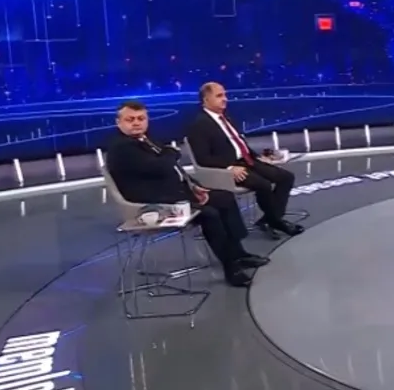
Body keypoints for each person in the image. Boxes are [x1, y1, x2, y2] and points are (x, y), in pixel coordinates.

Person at [105, 100, 268, 287]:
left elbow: (172, 167)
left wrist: (194, 186)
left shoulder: (146, 139)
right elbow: (162, 165)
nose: (136, 123)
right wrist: (171, 154)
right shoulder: (122, 147)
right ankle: (231, 268)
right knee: (209, 214)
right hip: (153, 202)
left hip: (173, 193)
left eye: (141, 118)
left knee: (224, 198)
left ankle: (238, 254)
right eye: (130, 119)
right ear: (119, 123)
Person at [186, 82, 304, 239]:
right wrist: (229, 168)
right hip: (229, 168)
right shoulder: (200, 125)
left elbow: (239, 144)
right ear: (206, 100)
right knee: (263, 185)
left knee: (286, 177)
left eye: (225, 95)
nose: (225, 99)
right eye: (219, 96)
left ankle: (269, 219)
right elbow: (202, 158)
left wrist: (258, 157)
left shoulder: (226, 118)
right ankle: (276, 221)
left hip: (247, 161)